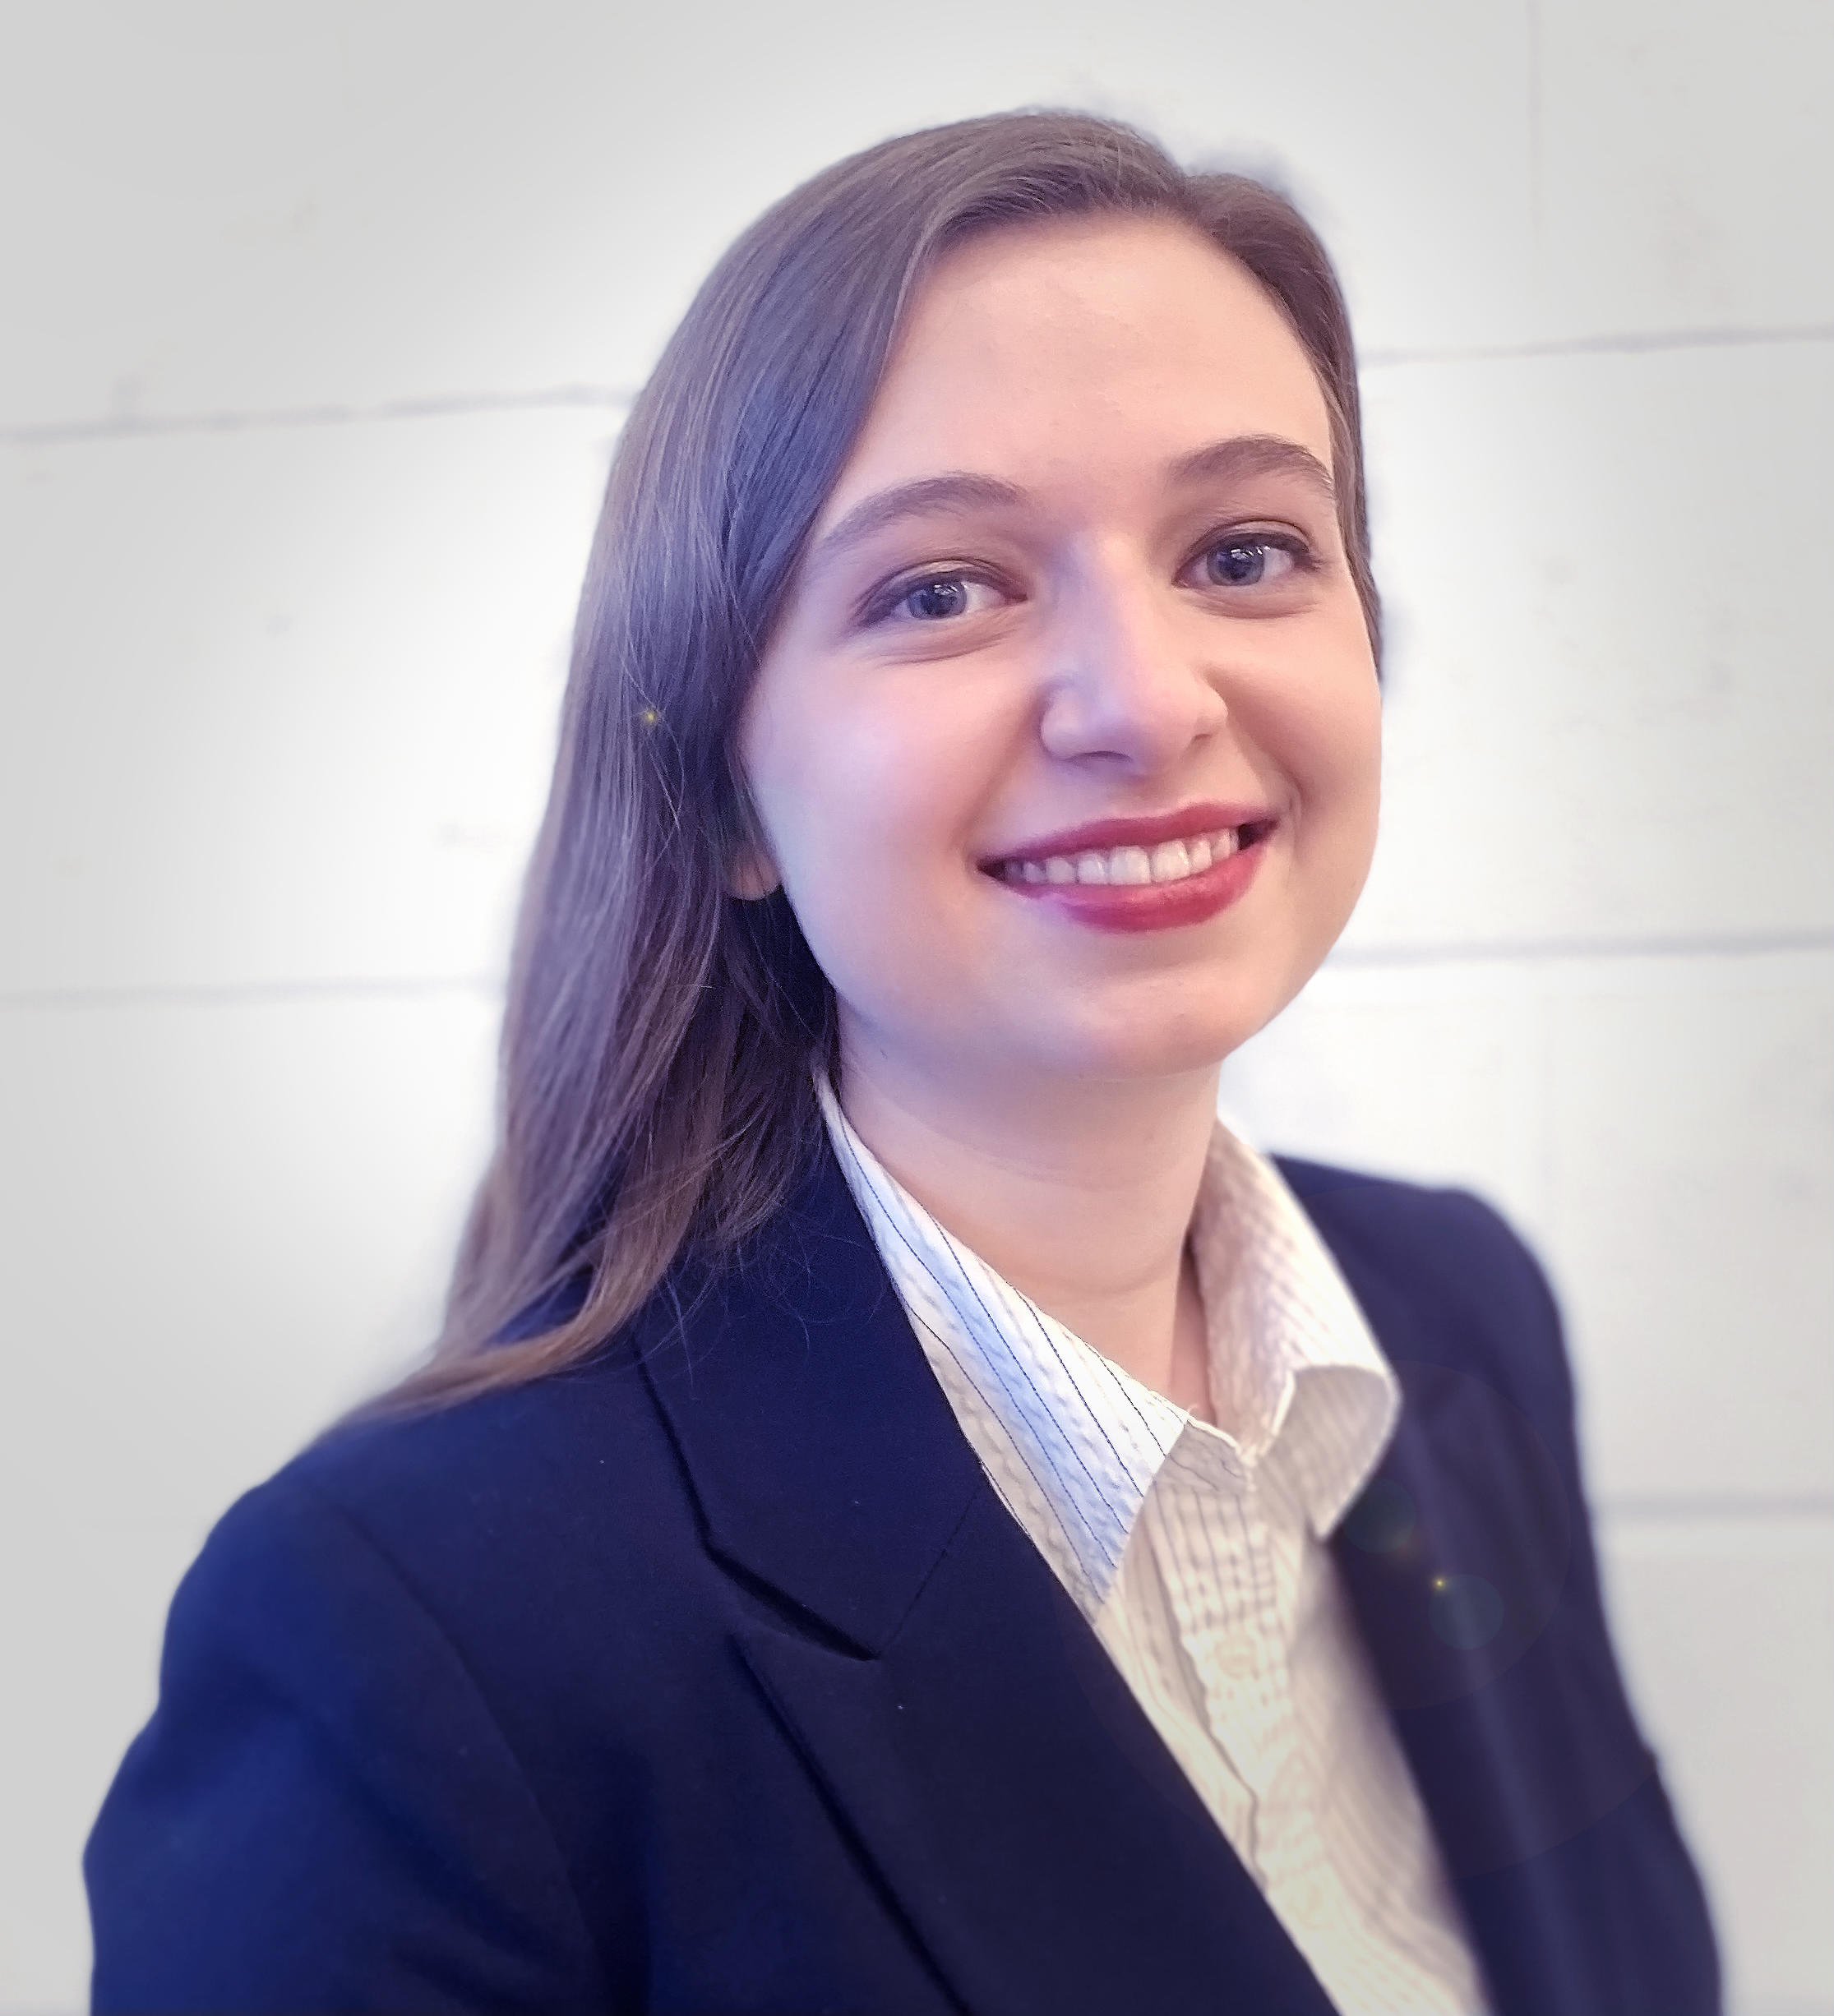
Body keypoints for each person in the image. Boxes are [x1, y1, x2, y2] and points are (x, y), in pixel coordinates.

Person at [85, 111, 1719, 2014]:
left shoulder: (1460, 1319)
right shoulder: (408, 1626)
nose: (1146, 702)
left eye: (1247, 551)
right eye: (943, 588)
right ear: (726, 797)